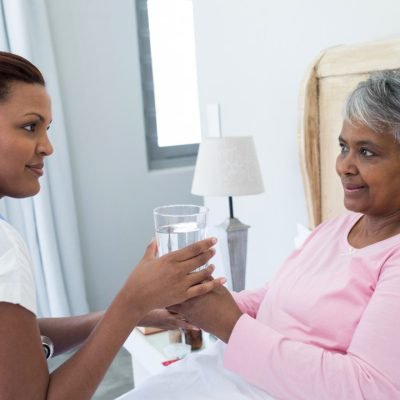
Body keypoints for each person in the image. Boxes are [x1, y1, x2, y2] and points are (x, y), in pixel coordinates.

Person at [124, 70, 400, 400]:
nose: (344, 166)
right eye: (343, 147)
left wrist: (228, 323)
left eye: (366, 152)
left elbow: (369, 389)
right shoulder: (336, 228)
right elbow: (277, 297)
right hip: (226, 375)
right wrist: (197, 305)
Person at [0, 51, 226, 400]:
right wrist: (130, 303)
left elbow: (20, 340)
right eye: (31, 126)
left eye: (47, 129)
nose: (47, 146)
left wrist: (134, 314)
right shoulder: (4, 246)